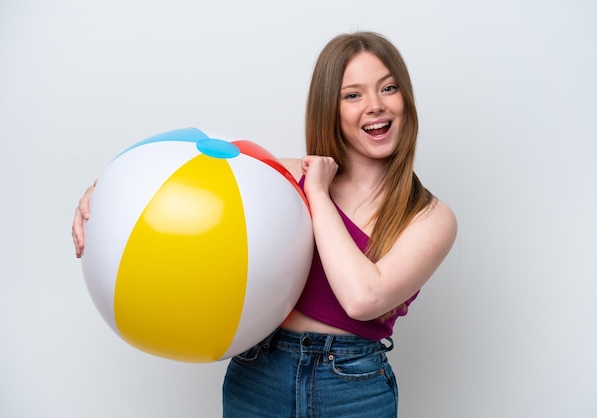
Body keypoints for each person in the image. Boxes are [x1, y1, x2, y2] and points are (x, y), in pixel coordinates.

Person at [72, 31, 457, 417]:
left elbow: (363, 299)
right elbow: (180, 176)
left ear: (405, 98)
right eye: (353, 95)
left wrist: (319, 194)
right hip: (259, 376)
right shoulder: (284, 178)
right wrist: (101, 194)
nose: (375, 105)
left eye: (388, 88)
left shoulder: (429, 217)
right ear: (331, 108)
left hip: (353, 388)